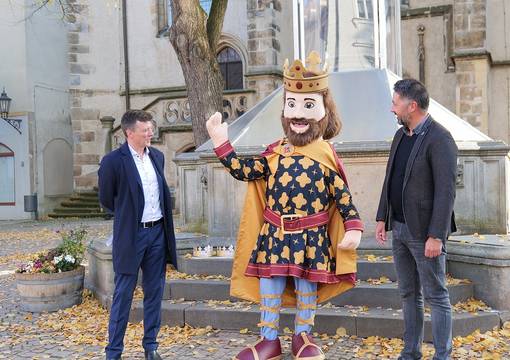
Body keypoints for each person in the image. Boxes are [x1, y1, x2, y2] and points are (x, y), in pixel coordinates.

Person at [206, 51, 364, 360]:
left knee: (307, 291)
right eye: (291, 104)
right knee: (270, 290)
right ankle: (269, 341)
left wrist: (354, 227)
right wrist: (221, 143)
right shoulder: (274, 153)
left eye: (307, 106)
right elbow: (244, 170)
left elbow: (344, 198)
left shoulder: (326, 155)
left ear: (323, 112)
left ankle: (302, 338)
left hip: (311, 237)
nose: (298, 114)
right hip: (274, 235)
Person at [375, 79, 457, 360]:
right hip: (398, 228)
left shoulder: (440, 138)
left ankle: (442, 355)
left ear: (412, 106)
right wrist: (382, 217)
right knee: (408, 294)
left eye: (395, 103)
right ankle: (411, 352)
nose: (391, 109)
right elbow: (390, 179)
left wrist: (436, 235)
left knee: (437, 296)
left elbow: (446, 193)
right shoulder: (401, 136)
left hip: (425, 233)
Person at [98, 110, 177, 360]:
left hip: (157, 234)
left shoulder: (158, 156)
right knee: (123, 294)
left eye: (151, 129)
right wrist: (128, 215)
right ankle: (114, 351)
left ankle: (151, 346)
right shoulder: (113, 161)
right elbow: (107, 199)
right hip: (132, 236)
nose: (150, 133)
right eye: (145, 130)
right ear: (129, 132)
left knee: (154, 292)